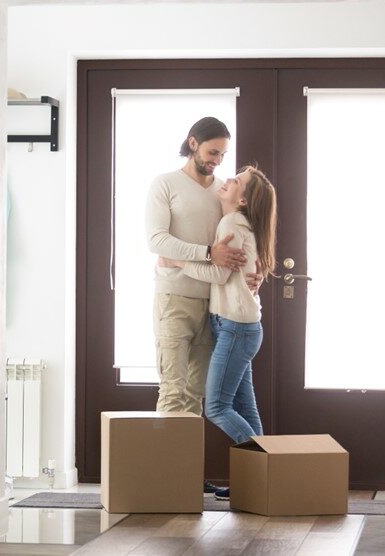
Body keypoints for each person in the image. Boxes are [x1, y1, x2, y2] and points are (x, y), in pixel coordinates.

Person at [145, 116, 260, 494]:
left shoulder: (224, 193)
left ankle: (186, 476)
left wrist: (255, 275)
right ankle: (174, 479)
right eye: (213, 152)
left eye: (223, 155)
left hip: (214, 306)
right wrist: (206, 253)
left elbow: (244, 242)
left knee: (196, 394)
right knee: (174, 388)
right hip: (175, 300)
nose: (217, 161)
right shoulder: (165, 185)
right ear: (193, 143)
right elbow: (157, 241)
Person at [160, 165, 277, 501]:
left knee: (217, 407)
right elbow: (232, 273)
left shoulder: (231, 224)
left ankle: (265, 469)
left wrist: (177, 262)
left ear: (242, 200)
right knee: (245, 404)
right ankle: (259, 482)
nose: (229, 179)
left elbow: (219, 274)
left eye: (237, 181)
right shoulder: (241, 224)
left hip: (236, 328)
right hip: (241, 326)